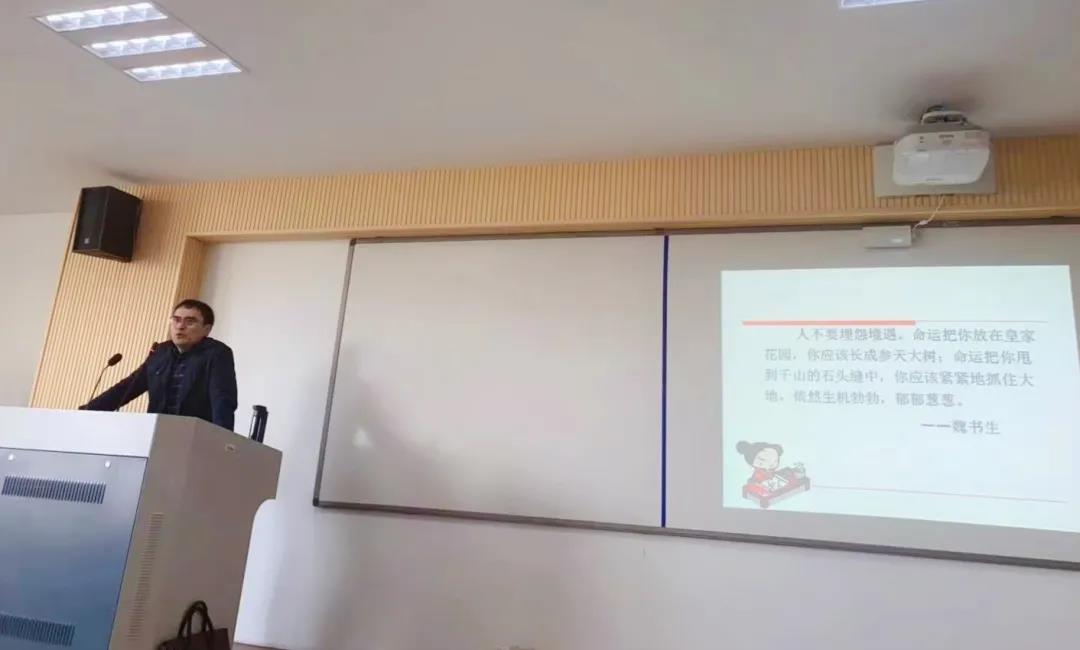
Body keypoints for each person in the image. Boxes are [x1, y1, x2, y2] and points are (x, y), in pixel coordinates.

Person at [82, 299, 238, 430]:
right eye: (176, 320)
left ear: (206, 329)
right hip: (156, 434)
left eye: (190, 322)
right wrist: (85, 412)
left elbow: (222, 400)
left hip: (195, 437)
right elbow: (127, 388)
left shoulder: (217, 353)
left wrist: (221, 440)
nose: (180, 326)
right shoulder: (161, 352)